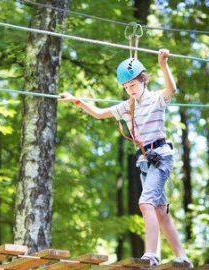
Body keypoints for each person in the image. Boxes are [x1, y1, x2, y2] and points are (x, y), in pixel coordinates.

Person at [59, 49, 193, 267]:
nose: (130, 90)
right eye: (126, 87)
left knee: (145, 202)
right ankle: (183, 256)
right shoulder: (127, 106)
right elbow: (100, 113)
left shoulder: (158, 98)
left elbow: (172, 88)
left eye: (133, 85)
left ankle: (151, 255)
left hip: (161, 156)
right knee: (160, 211)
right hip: (145, 161)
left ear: (143, 80)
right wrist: (77, 101)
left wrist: (163, 64)